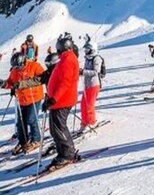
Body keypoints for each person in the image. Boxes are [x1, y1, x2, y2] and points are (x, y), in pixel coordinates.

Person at [43, 33, 80, 170]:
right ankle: (63, 153)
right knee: (54, 129)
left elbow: (65, 83)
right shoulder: (66, 58)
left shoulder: (68, 60)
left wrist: (54, 98)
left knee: (59, 128)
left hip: (62, 100)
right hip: (58, 101)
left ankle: (67, 154)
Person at [0, 52, 45, 154]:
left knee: (31, 119)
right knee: (20, 122)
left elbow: (42, 78)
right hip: (22, 99)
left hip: (34, 97)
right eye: (15, 67)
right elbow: (11, 83)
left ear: (23, 61)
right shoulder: (15, 71)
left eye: (18, 66)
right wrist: (3, 84)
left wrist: (27, 83)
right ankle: (23, 141)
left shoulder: (34, 66)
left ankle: (36, 139)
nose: (17, 69)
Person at [79, 38, 103, 132]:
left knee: (89, 105)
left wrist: (83, 72)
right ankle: (84, 122)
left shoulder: (97, 58)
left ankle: (92, 122)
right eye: (85, 50)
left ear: (92, 49)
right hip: (87, 85)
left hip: (94, 85)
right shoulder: (87, 58)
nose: (85, 52)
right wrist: (80, 72)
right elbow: (85, 71)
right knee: (83, 104)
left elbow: (96, 72)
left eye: (87, 50)